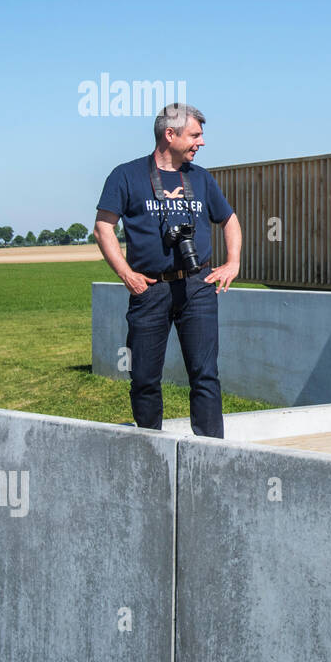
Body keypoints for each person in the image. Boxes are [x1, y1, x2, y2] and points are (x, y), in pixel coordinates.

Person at [94, 103, 242, 438]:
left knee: (205, 375)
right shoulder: (126, 175)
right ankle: (149, 449)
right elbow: (103, 227)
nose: (201, 142)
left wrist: (232, 262)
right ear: (170, 134)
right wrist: (126, 274)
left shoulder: (201, 178)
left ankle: (210, 453)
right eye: (195, 135)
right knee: (144, 377)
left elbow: (229, 220)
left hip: (198, 286)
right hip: (150, 289)